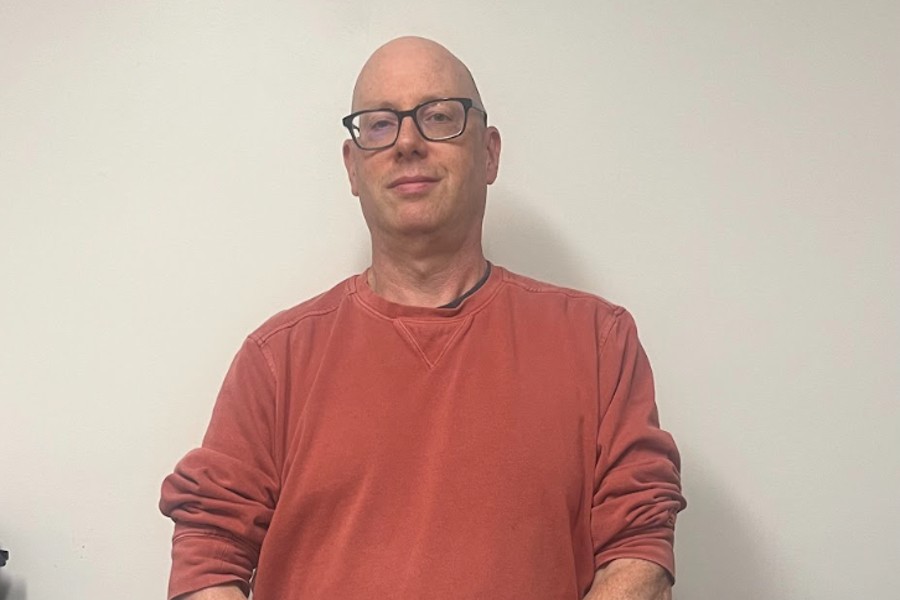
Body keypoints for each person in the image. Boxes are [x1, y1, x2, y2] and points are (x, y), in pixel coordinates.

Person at [159, 36, 686, 600]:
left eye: (438, 116)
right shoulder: (275, 360)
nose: (408, 142)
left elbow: (639, 550)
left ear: (489, 153)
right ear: (353, 168)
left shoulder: (599, 344)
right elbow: (208, 556)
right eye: (379, 124)